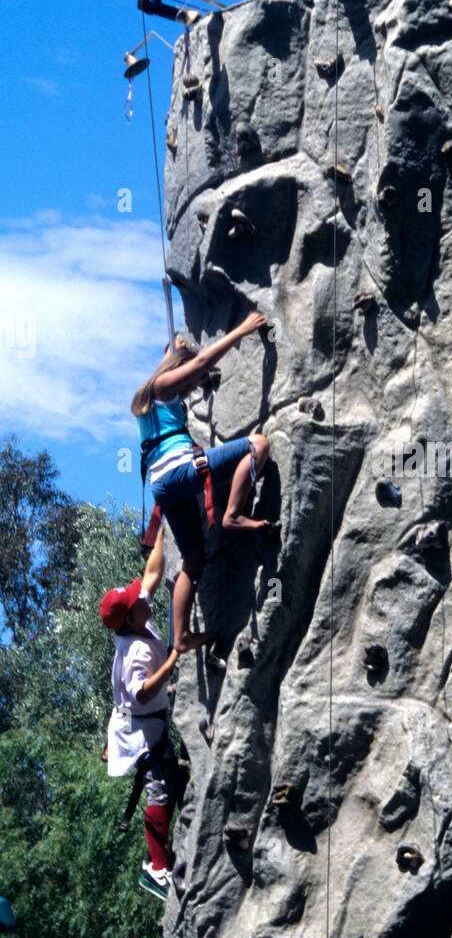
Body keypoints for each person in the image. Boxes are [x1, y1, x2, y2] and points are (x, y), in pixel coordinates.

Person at [131, 311, 272, 652]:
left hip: (163, 485)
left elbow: (171, 364)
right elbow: (204, 360)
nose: (194, 387)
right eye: (191, 382)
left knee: (193, 557)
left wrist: (173, 349)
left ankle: (180, 636)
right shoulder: (165, 387)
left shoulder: (151, 393)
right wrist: (242, 329)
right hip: (180, 472)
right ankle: (234, 513)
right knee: (258, 445)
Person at [100, 524, 181, 901]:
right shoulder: (133, 651)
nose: (143, 596)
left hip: (145, 721)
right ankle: (156, 869)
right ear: (129, 619)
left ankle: (162, 859)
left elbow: (152, 571)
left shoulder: (139, 615)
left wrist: (164, 525)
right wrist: (173, 662)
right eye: (136, 601)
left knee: (168, 777)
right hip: (139, 727)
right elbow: (143, 693)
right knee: (159, 783)